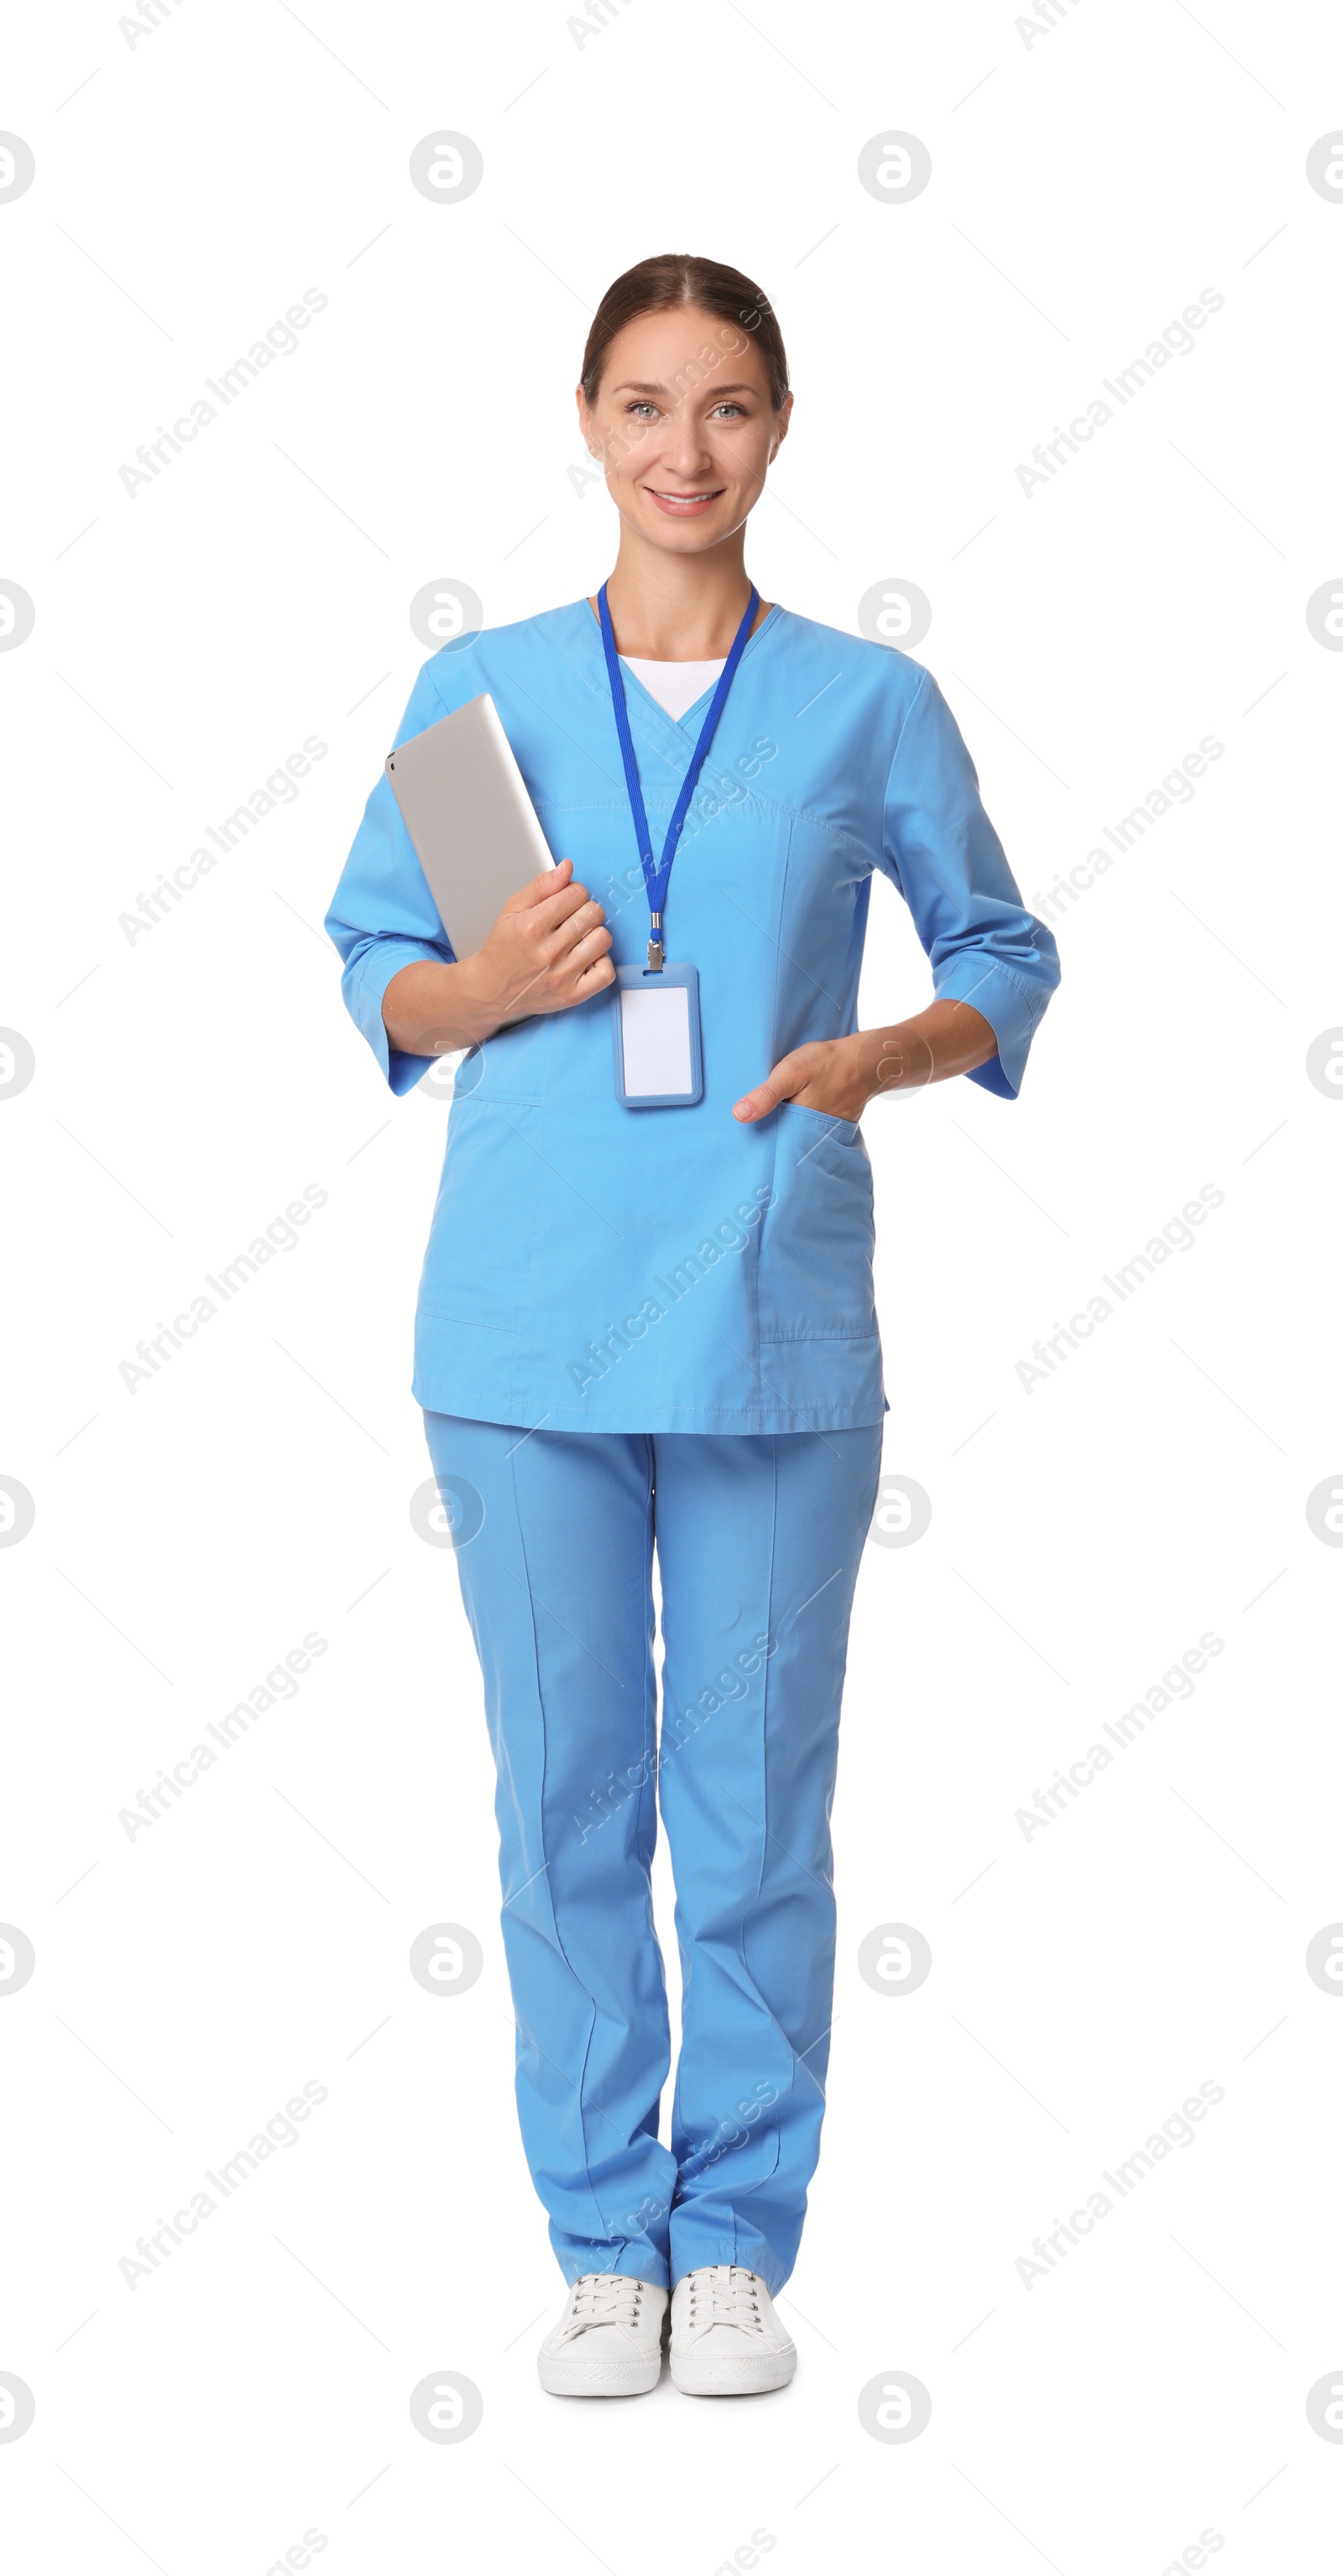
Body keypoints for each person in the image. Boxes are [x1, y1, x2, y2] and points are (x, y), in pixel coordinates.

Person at [327, 253, 1059, 2401]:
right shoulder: (479, 699)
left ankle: (729, 2232)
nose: (683, 449)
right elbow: (381, 960)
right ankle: (598, 2239)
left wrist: (877, 1057)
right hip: (529, 1326)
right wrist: (489, 987)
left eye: (725, 406)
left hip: (763, 1310)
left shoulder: (860, 703)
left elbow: (1003, 947)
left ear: (779, 430)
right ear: (583, 423)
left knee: (749, 1791)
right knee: (564, 1796)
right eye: (643, 405)